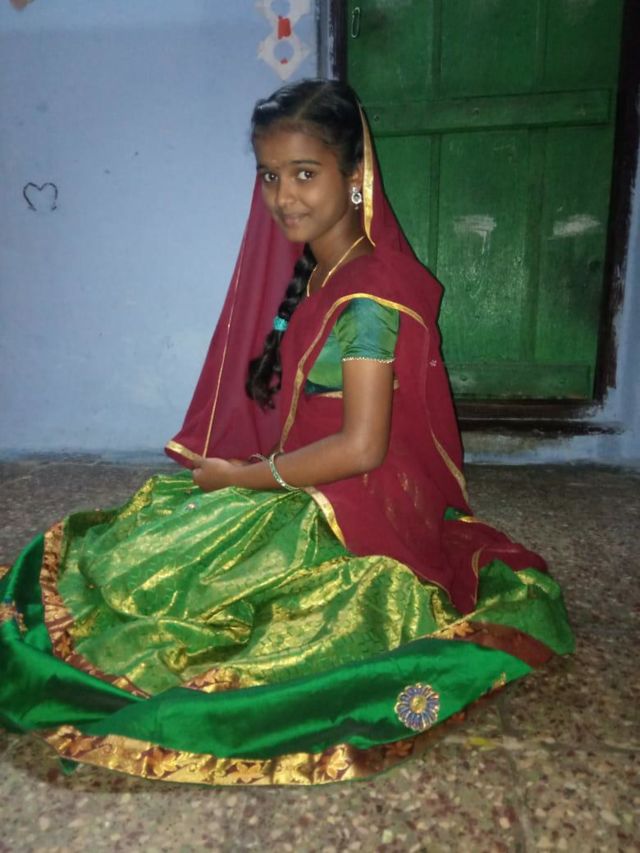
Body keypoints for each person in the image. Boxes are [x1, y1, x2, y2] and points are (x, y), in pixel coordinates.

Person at [0, 80, 573, 786]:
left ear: (355, 177)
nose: (283, 197)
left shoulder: (369, 295)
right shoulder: (323, 268)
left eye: (305, 173)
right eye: (270, 176)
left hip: (355, 506)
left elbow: (362, 446)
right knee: (147, 550)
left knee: (188, 586)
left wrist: (244, 477)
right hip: (313, 473)